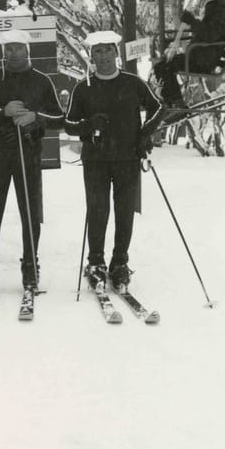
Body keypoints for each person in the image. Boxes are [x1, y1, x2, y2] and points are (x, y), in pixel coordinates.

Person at [64, 31, 164, 291]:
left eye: (108, 50)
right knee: (98, 211)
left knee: (124, 212)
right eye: (97, 51)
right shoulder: (83, 87)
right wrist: (88, 125)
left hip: (127, 158)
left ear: (116, 53)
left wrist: (145, 134)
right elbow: (69, 124)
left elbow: (158, 108)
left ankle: (119, 262)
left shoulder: (132, 83)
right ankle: (95, 262)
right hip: (95, 159)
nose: (103, 56)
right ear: (91, 56)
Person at [0, 29, 65, 290]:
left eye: (18, 48)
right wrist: (3, 111)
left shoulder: (41, 80)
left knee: (30, 210)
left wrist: (36, 117)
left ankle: (30, 263)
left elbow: (59, 118)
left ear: (27, 50)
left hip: (28, 151)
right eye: (8, 49)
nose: (13, 54)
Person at [152, 0, 225, 108]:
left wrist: (192, 21)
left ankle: (176, 104)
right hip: (201, 55)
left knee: (164, 66)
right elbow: (207, 30)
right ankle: (171, 103)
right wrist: (192, 23)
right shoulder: (219, 6)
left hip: (205, 60)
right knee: (162, 64)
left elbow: (210, 35)